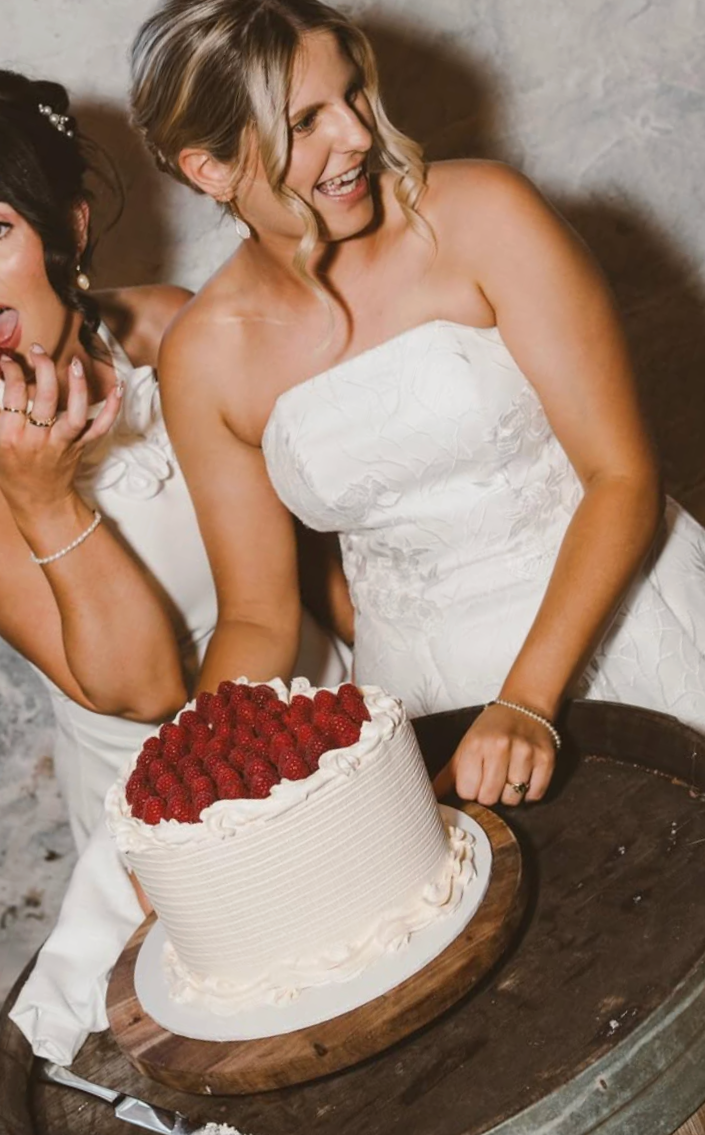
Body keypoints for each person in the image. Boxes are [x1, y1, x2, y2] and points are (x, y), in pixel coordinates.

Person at [129, 0, 705, 810]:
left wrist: (524, 701)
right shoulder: (201, 358)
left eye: (352, 94)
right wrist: (188, 789)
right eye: (305, 122)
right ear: (211, 169)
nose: (358, 136)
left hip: (623, 625)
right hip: (423, 699)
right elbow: (258, 616)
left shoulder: (485, 215)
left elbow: (621, 475)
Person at [0, 66, 349, 1059]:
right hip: (160, 795)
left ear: (71, 221)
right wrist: (43, 497)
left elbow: (316, 557)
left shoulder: (179, 325)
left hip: (320, 703)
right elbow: (149, 689)